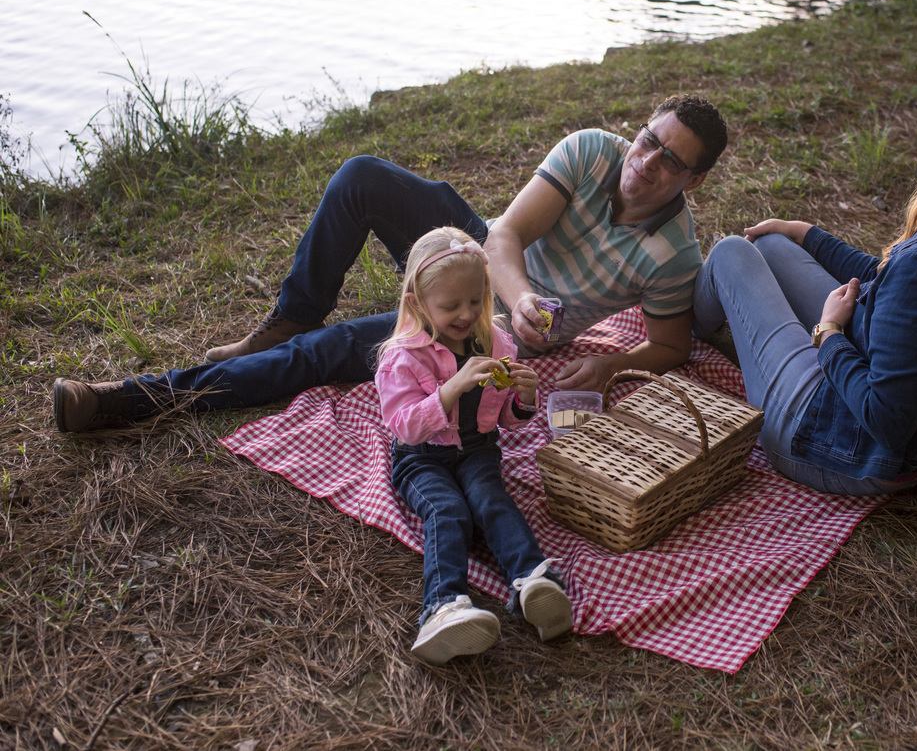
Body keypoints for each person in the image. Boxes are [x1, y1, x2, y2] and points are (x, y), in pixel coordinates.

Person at [53, 94, 728, 432]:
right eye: (649, 140)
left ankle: (137, 398)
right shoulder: (591, 150)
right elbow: (505, 236)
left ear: (692, 182)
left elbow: (670, 344)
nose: (647, 162)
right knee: (362, 176)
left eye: (672, 160)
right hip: (487, 261)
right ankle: (290, 315)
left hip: (490, 329)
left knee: (336, 350)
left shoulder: (675, 255)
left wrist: (610, 363)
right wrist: (520, 293)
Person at [692, 93, 917, 495]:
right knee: (772, 245)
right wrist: (806, 233)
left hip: (840, 448)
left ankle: (684, 334)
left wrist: (829, 335)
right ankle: (721, 327)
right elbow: (891, 288)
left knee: (729, 254)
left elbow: (888, 420)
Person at [374, 226, 570, 664]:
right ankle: (444, 607)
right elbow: (404, 427)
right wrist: (451, 389)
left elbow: (504, 419)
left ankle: (533, 581)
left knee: (490, 499)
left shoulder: (497, 344)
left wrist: (525, 397)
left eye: (475, 301)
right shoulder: (402, 358)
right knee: (449, 511)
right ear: (417, 304)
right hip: (420, 459)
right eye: (450, 306)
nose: (465, 314)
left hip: (477, 449)